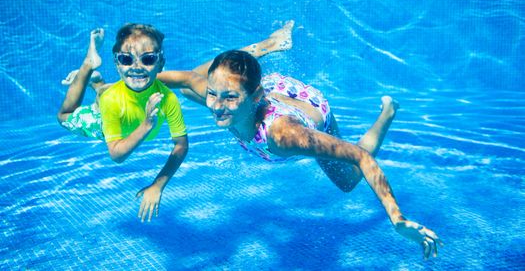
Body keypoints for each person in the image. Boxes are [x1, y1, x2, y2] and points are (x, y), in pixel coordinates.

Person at [157, 21, 442, 259]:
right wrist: (116, 87)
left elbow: (360, 157)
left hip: (308, 107)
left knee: (347, 181)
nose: (217, 106)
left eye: (229, 98)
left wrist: (397, 218)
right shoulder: (221, 100)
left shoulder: (285, 136)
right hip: (266, 91)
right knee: (187, 85)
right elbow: (187, 79)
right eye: (212, 94)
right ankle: (267, 45)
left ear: (254, 98)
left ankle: (387, 113)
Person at [57, 23, 294, 222]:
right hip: (106, 118)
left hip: (124, 101)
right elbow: (117, 154)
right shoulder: (131, 98)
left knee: (187, 82)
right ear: (118, 62)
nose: (137, 67)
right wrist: (146, 125)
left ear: (160, 62)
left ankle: (97, 83)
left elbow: (181, 145)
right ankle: (89, 67)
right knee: (65, 117)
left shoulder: (166, 97)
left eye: (148, 59)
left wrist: (158, 184)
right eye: (126, 59)